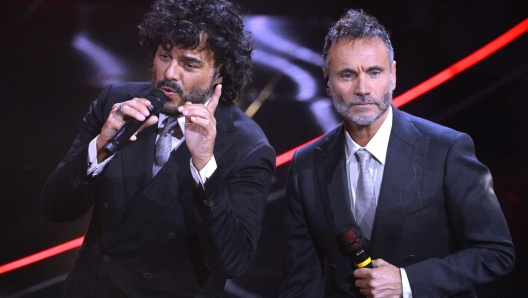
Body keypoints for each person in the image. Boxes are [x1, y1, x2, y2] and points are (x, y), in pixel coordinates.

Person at [40, 0, 275, 297]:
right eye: (165, 55)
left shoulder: (248, 147)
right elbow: (55, 208)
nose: (170, 73)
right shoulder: (116, 102)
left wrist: (204, 164)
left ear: (220, 73)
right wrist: (100, 147)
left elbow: (232, 261)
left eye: (189, 63)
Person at [280, 9, 514, 298]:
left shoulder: (447, 149)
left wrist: (407, 282)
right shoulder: (307, 164)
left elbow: (496, 252)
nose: (363, 89)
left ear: (393, 75)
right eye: (347, 75)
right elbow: (302, 279)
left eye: (374, 73)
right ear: (327, 81)